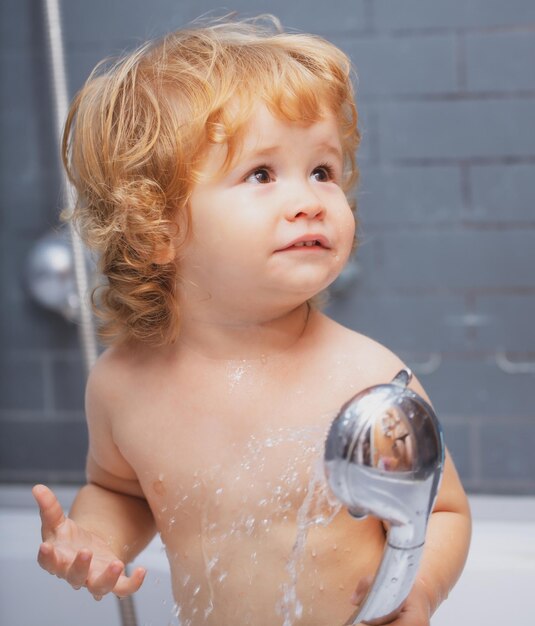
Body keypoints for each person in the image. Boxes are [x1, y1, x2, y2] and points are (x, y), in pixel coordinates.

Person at [32, 15, 471, 626]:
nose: (310, 199)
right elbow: (124, 491)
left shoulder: (369, 383)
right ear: (157, 228)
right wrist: (97, 539)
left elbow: (443, 511)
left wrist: (416, 592)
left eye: (322, 170)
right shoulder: (123, 384)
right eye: (261, 174)